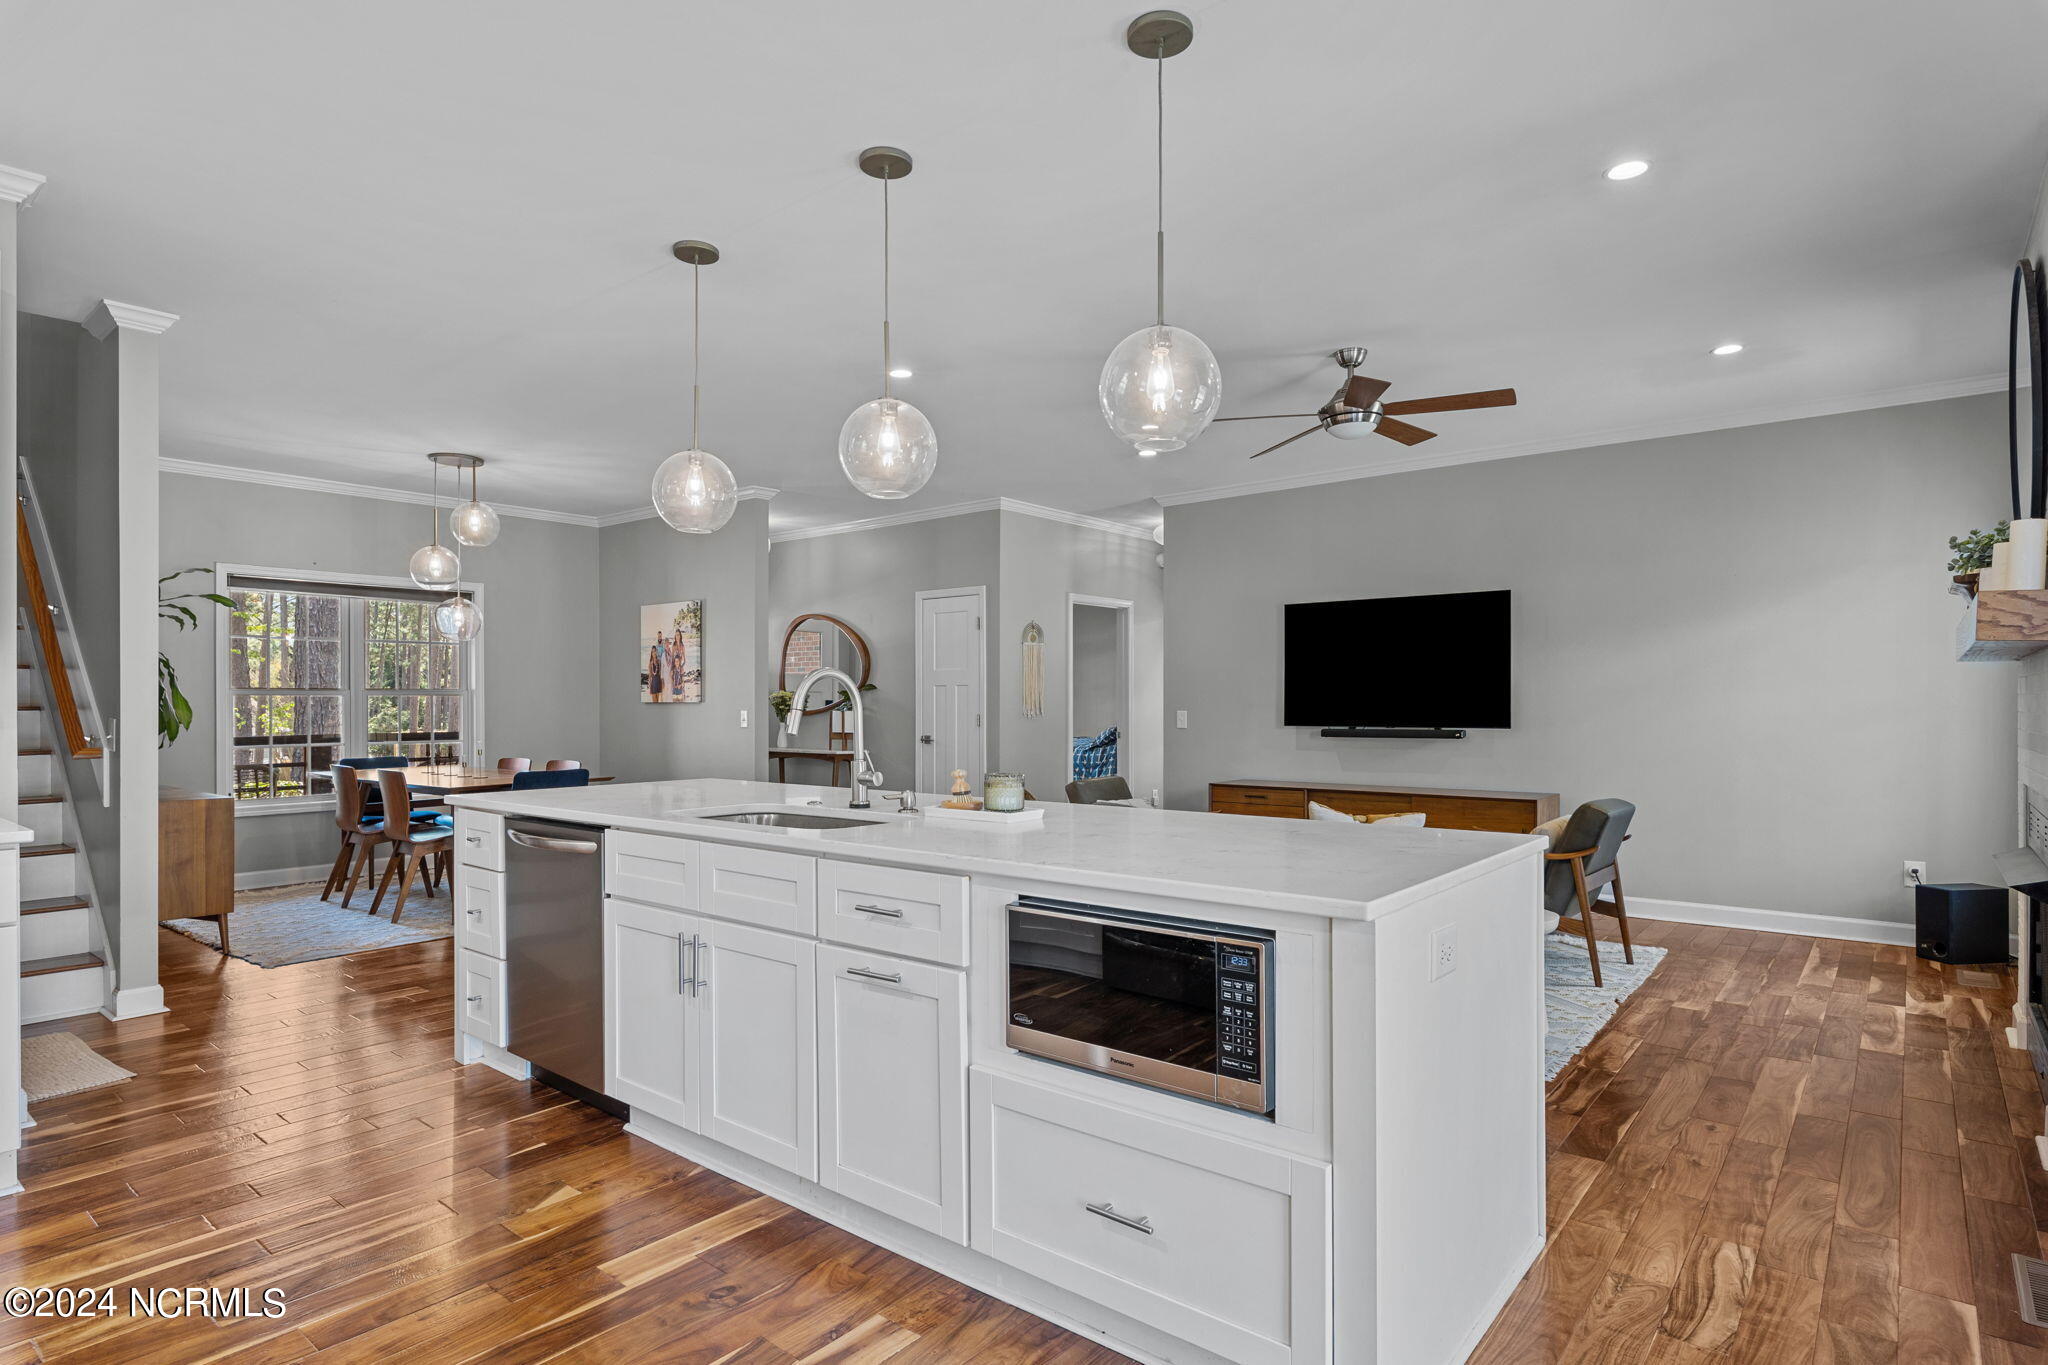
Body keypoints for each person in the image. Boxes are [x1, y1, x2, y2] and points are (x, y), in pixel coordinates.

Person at [647, 635, 665, 702]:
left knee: (658, 702)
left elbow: (660, 674)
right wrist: (649, 686)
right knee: (654, 702)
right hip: (653, 684)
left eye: (655, 651)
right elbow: (650, 676)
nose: (654, 653)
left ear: (656, 652)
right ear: (651, 653)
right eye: (653, 651)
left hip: (658, 683)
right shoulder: (650, 663)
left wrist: (662, 683)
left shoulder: (659, 662)